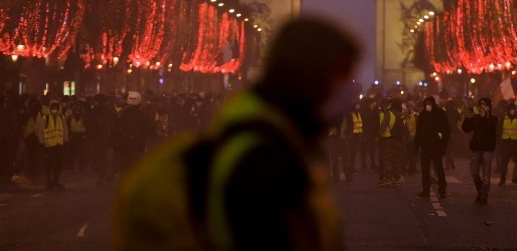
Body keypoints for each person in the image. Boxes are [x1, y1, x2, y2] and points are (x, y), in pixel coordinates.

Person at [114, 16, 361, 250]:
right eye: (342, 75)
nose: (349, 90)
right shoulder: (262, 158)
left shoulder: (266, 136)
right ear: (312, 77)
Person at [461, 97, 497, 204]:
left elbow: (492, 128)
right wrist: (467, 118)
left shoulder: (493, 119)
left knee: (486, 175)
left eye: (484, 104)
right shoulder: (476, 118)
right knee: (474, 172)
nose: (482, 106)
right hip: (476, 149)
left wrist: (485, 117)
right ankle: (481, 191)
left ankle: (483, 196)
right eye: (480, 104)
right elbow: (466, 129)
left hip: (487, 150)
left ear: (489, 107)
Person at [111, 91, 156, 175]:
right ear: (140, 102)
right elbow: (152, 131)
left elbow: (115, 130)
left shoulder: (121, 115)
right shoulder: (144, 116)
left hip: (123, 148)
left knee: (125, 171)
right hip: (138, 148)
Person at [413, 95, 450, 198]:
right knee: (425, 169)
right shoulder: (423, 114)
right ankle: (426, 190)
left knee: (438, 168)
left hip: (436, 146)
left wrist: (443, 145)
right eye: (426, 104)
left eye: (430, 104)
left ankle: (442, 190)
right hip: (425, 146)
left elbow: (446, 130)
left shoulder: (440, 114)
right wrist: (416, 145)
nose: (428, 106)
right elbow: (418, 131)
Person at [36, 99, 68, 190]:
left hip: (59, 144)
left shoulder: (62, 117)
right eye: (53, 107)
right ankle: (49, 182)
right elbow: (40, 132)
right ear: (50, 108)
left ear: (58, 108)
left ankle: (55, 181)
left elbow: (65, 130)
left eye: (56, 107)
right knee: (49, 165)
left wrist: (65, 141)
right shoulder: (45, 118)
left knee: (59, 164)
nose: (54, 109)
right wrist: (41, 143)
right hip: (48, 145)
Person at [497, 101, 517, 186]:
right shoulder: (503, 118)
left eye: (513, 109)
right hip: (506, 144)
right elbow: (499, 130)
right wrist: (499, 142)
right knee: (504, 163)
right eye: (510, 109)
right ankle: (502, 181)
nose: (512, 110)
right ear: (508, 110)